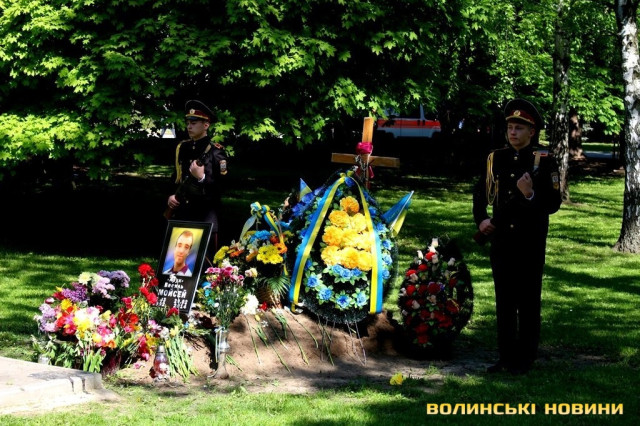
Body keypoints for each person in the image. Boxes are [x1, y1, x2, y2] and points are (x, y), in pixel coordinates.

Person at [472, 98, 562, 374]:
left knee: (528, 301)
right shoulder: (496, 158)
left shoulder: (544, 161)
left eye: (519, 128)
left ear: (531, 132)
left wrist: (530, 194)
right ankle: (505, 357)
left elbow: (553, 203)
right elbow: (480, 192)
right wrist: (482, 219)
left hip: (529, 241)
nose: (512, 132)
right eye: (510, 127)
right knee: (505, 301)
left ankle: (525, 358)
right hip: (502, 241)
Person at [166, 100, 228, 254]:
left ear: (206, 125)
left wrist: (201, 178)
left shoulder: (216, 152)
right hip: (183, 213)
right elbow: (177, 177)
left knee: (206, 263)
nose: (189, 126)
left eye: (193, 123)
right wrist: (171, 196)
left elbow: (223, 185)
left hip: (204, 215)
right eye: (188, 123)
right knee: (178, 260)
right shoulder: (183, 147)